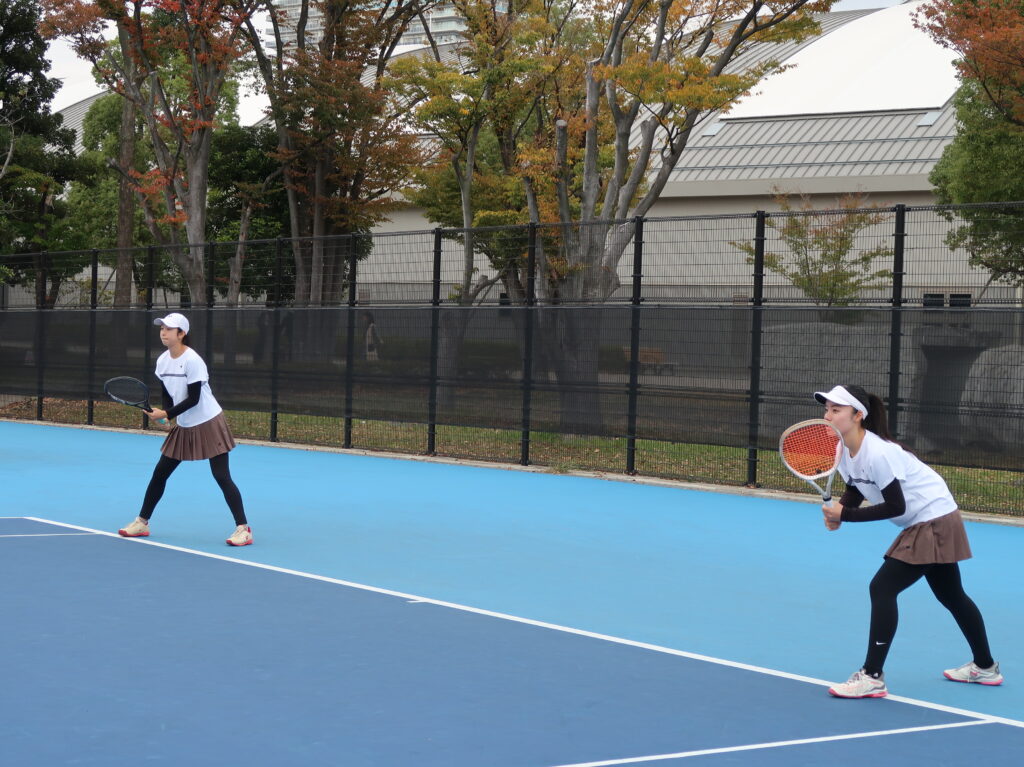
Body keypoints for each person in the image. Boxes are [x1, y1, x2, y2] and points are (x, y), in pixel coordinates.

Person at [816, 385, 999, 698]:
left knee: (882, 588)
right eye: (826, 409)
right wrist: (842, 511)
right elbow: (856, 487)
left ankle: (872, 676)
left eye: (836, 410)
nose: (827, 416)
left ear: (858, 415)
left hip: (933, 518)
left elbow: (895, 506)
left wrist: (846, 515)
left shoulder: (880, 453)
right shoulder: (842, 449)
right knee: (951, 595)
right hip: (928, 518)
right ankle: (985, 667)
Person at [118, 313, 252, 547]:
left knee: (221, 476)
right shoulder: (162, 361)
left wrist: (167, 413)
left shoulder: (193, 360)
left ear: (181, 334)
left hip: (209, 421)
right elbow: (168, 393)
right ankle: (142, 522)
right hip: (184, 424)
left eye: (169, 329)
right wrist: (166, 415)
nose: (163, 332)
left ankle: (243, 529)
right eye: (162, 328)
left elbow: (194, 398)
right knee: (160, 473)